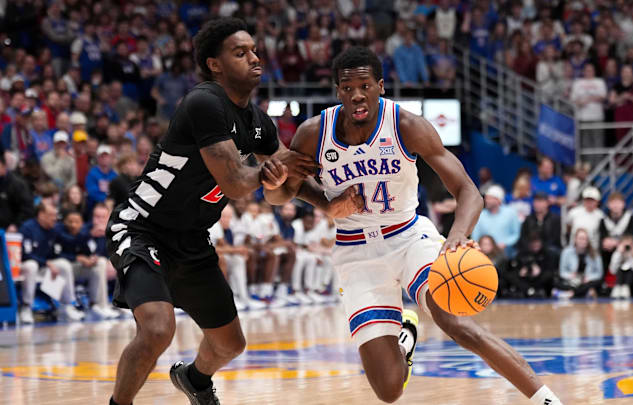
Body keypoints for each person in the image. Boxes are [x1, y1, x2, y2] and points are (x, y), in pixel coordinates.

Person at [266, 46, 564, 405]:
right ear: (337, 91)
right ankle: (406, 335)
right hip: (355, 251)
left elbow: (469, 191)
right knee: (389, 390)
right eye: (347, 88)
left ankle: (546, 399)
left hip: (409, 236)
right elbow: (284, 193)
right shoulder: (314, 133)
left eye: (364, 85)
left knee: (456, 323)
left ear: (380, 87)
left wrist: (457, 236)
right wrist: (328, 204)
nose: (356, 95)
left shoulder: (406, 126)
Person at [103, 18, 356, 405]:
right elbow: (238, 183)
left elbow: (280, 189)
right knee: (156, 329)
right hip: (143, 228)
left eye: (254, 50)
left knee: (229, 343)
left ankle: (195, 379)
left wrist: (329, 205)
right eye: (241, 53)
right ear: (214, 64)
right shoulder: (204, 102)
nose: (254, 57)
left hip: (191, 240)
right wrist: (274, 171)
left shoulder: (258, 123)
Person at [18, 202, 85, 324]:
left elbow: (65, 245)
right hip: (24, 267)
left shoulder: (53, 230)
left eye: (55, 215)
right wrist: (47, 263)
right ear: (41, 215)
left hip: (43, 267)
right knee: (31, 265)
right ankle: (26, 307)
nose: (55, 218)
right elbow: (25, 255)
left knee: (63, 264)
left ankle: (66, 305)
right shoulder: (27, 228)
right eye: (51, 215)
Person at [471, 185, 521, 257]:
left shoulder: (511, 213)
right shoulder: (480, 215)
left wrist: (505, 243)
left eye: (490, 198)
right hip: (485, 255)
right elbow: (475, 237)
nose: (486, 200)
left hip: (507, 255)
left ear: (498, 200)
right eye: (486, 198)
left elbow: (516, 234)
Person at [556, 228, 604, 299]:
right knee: (556, 281)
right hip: (572, 281)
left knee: (598, 282)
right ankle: (584, 292)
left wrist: (589, 278)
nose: (583, 241)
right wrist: (570, 276)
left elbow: (599, 273)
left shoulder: (595, 253)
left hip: (587, 281)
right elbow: (562, 272)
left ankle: (571, 293)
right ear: (575, 239)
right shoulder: (566, 252)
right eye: (581, 238)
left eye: (585, 239)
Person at [609, 234, 633, 299]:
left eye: (630, 244)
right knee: (622, 269)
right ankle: (619, 288)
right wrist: (618, 253)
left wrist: (631, 257)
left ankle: (625, 288)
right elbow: (612, 271)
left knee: (629, 269)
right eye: (625, 245)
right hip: (621, 285)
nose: (627, 247)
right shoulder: (619, 253)